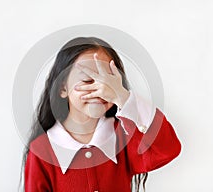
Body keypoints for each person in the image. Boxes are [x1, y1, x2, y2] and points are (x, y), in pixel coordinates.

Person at [20, 37, 181, 192]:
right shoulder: (42, 150)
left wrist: (123, 96)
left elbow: (168, 149)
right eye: (87, 81)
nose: (100, 90)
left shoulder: (123, 136)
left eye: (108, 82)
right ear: (63, 88)